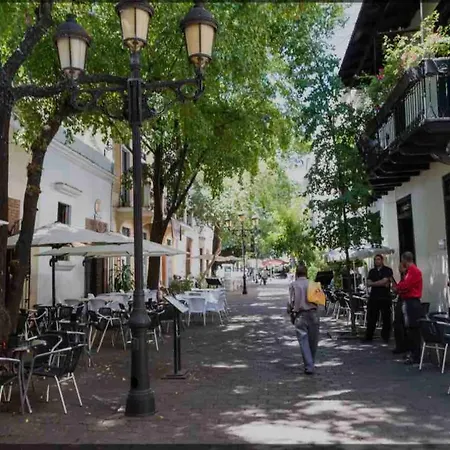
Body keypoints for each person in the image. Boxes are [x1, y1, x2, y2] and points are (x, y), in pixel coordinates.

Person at [392, 252, 424, 365]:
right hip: (408, 301)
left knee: (413, 329)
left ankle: (416, 355)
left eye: (402, 261)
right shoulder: (410, 272)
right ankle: (411, 352)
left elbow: (406, 285)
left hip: (412, 302)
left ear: (405, 260)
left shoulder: (413, 271)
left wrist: (397, 288)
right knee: (409, 329)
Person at [287, 265, 320, 375]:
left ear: (296, 273)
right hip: (313, 314)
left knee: (303, 341)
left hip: (300, 315)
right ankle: (311, 363)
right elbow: (319, 300)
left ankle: (309, 366)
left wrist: (290, 312)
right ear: (306, 273)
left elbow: (290, 302)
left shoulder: (293, 285)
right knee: (313, 342)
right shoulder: (313, 284)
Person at [364, 254, 393, 342]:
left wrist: (374, 283)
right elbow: (368, 283)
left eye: (378, 259)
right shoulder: (372, 271)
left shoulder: (387, 270)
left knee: (386, 318)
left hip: (385, 297)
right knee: (371, 317)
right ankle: (369, 336)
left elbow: (385, 281)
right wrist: (381, 283)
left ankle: (385, 337)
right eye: (375, 260)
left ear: (382, 260)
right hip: (374, 297)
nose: (377, 261)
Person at [392, 262, 408, 354]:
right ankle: (401, 345)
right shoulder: (403, 277)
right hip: (401, 300)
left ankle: (402, 346)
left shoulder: (407, 277)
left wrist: (396, 289)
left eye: (400, 267)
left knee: (400, 324)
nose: (398, 269)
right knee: (398, 324)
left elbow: (399, 289)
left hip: (404, 300)